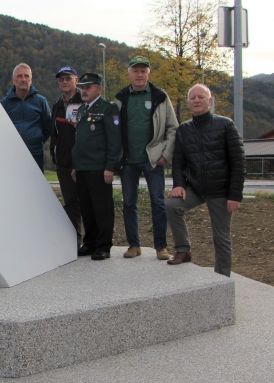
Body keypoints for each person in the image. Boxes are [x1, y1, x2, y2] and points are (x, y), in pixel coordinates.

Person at [166, 84, 245, 277]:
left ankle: (222, 278)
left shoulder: (225, 125)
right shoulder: (184, 129)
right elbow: (179, 161)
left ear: (209, 101)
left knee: (221, 237)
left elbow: (238, 161)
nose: (196, 100)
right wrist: (179, 184)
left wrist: (235, 195)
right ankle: (183, 250)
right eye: (192, 98)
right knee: (172, 206)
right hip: (196, 187)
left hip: (221, 190)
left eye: (201, 97)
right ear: (188, 103)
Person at [114, 55, 179, 260]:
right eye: (136, 71)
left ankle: (161, 247)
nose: (139, 74)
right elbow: (113, 129)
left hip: (153, 160)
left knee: (158, 202)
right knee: (129, 204)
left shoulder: (160, 97)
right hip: (128, 161)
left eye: (143, 71)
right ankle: (134, 245)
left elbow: (173, 128)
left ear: (149, 73)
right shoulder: (121, 97)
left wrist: (166, 154)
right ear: (129, 74)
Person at [71, 73, 121, 260]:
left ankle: (104, 246)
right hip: (83, 166)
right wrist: (76, 165)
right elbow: (80, 141)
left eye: (88, 87)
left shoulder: (108, 109)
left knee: (102, 208)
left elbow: (114, 141)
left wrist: (110, 166)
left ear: (98, 89)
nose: (84, 90)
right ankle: (90, 243)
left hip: (99, 167)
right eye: (82, 87)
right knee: (87, 208)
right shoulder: (82, 109)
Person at [50, 66, 83, 247]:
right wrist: (54, 154)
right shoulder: (57, 105)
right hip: (63, 163)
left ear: (76, 80)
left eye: (68, 78)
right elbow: (53, 133)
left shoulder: (84, 101)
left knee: (87, 202)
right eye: (61, 79)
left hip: (83, 163)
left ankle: (94, 240)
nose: (64, 82)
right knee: (70, 203)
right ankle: (74, 240)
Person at [0, 63, 52, 172]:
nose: (23, 79)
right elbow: (0, 130)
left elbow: (47, 127)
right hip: (11, 156)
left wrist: (36, 139)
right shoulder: (4, 104)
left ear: (31, 80)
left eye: (26, 76)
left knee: (36, 189)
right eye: (19, 76)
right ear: (13, 80)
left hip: (35, 155)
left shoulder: (41, 101)